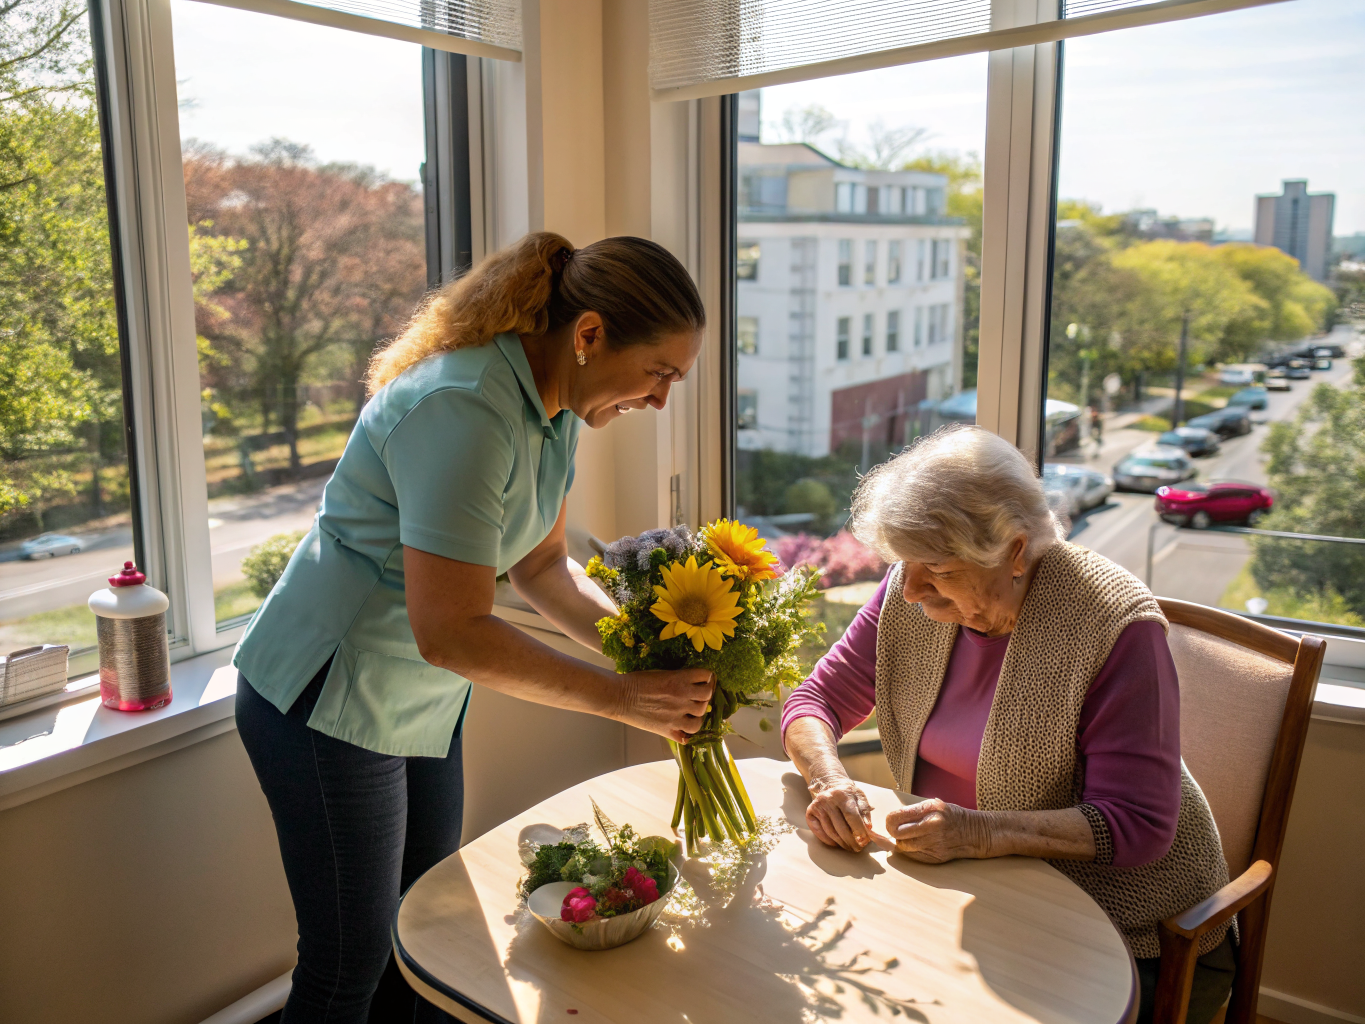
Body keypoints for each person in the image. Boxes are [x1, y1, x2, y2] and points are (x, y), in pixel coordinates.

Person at [233, 232, 715, 1023]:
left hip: (417, 696)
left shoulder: (555, 409)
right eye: (659, 373)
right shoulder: (462, 407)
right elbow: (453, 633)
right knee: (347, 964)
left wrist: (645, 651)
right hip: (325, 698)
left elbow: (542, 565)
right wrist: (625, 700)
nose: (661, 399)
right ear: (588, 335)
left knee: (425, 940)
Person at [782, 425, 1235, 1024]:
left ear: (1015, 551)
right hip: (972, 893)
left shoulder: (1112, 623)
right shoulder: (910, 592)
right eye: (903, 563)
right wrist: (827, 779)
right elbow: (815, 700)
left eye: (936, 568)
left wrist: (979, 834)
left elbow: (1139, 824)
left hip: (1126, 929)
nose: (910, 587)